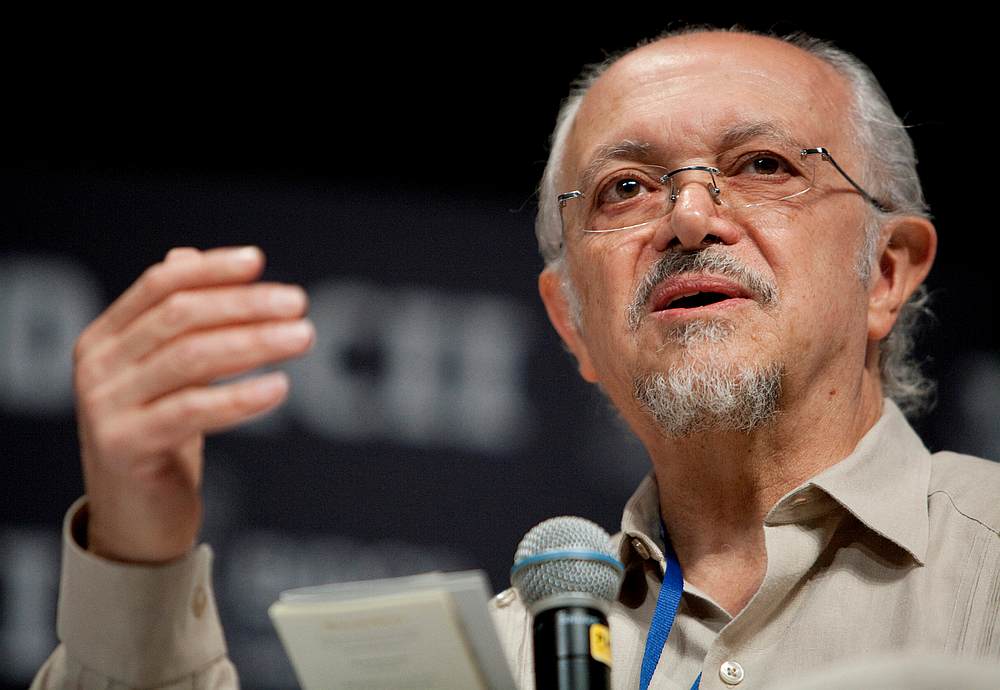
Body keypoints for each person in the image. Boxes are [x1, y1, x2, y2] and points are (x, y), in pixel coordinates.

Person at [33, 26, 1000, 690]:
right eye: (625, 188)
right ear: (572, 322)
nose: (689, 217)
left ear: (886, 272)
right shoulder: (487, 667)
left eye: (763, 166)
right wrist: (138, 548)